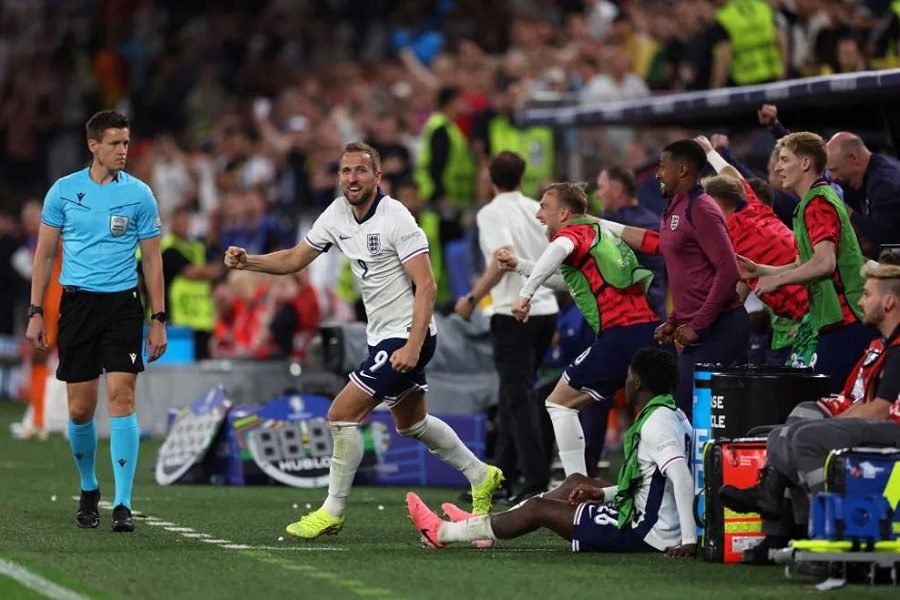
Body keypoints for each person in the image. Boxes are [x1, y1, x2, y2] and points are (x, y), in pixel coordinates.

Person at [225, 142, 503, 539]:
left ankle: (332, 510)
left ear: (377, 177)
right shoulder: (337, 213)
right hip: (382, 337)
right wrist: (249, 261)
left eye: (360, 171)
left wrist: (412, 345)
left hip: (406, 336)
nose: (352, 178)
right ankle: (481, 474)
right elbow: (294, 259)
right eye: (345, 171)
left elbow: (426, 285)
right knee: (413, 424)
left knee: (341, 413)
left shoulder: (396, 218)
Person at [406, 347, 696, 558]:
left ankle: (443, 533)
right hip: (647, 516)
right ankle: (477, 527)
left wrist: (688, 540)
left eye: (629, 375)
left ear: (638, 382)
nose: (625, 381)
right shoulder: (673, 414)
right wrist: (603, 494)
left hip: (644, 532)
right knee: (575, 482)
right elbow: (651, 482)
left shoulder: (656, 423)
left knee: (537, 509)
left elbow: (681, 477)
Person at [25, 110, 168, 532]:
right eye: (115, 143)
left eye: (126, 143)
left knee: (122, 398)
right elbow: (44, 255)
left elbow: (153, 261)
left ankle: (123, 503)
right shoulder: (63, 191)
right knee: (80, 409)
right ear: (93, 145)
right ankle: (89, 486)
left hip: (123, 306)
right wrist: (36, 311)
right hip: (77, 307)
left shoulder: (140, 194)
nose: (124, 150)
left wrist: (158, 318)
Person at [719, 249, 900, 562]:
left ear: (888, 302)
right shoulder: (880, 346)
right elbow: (860, 400)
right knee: (783, 432)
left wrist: (825, 426)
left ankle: (829, 529)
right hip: (878, 422)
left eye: (866, 295)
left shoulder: (898, 350)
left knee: (805, 437)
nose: (859, 302)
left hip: (890, 429)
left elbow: (880, 409)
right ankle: (781, 528)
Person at [499, 182, 658, 477]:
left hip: (621, 333)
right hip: (643, 329)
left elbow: (559, 249)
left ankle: (576, 483)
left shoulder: (573, 233)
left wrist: (525, 295)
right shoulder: (595, 232)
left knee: (559, 403)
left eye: (544, 207)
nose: (538, 214)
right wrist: (520, 265)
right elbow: (566, 280)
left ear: (563, 213)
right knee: (659, 407)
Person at [608, 140, 749, 417]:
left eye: (662, 167)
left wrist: (697, 324)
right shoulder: (673, 207)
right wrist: (674, 320)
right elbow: (691, 274)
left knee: (690, 413)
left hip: (722, 328)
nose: (657, 174)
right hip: (699, 330)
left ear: (682, 170)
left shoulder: (702, 208)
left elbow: (729, 271)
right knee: (689, 414)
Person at [454, 151, 558, 501]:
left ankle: (536, 481)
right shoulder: (536, 209)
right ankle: (501, 476)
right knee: (513, 394)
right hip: (546, 310)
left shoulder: (491, 212)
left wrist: (472, 297)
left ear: (490, 179)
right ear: (522, 177)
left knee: (519, 398)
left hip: (513, 312)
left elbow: (502, 259)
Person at [739, 132, 875, 391]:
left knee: (822, 398)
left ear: (805, 163)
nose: (777, 168)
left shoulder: (817, 205)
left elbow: (825, 263)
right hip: (835, 320)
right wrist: (762, 270)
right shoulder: (811, 202)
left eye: (784, 160)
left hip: (848, 320)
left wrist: (778, 281)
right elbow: (805, 263)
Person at [695, 135, 810, 366]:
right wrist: (710, 153)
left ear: (719, 203)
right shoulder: (754, 210)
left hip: (818, 314)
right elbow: (732, 175)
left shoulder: (726, 238)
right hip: (813, 310)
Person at [597, 166, 666, 319]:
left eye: (601, 188)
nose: (597, 194)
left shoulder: (644, 226)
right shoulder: (653, 221)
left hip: (641, 317)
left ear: (617, 191)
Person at [161, 206, 223, 360]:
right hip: (179, 319)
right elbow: (192, 272)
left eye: (185, 220)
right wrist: (212, 270)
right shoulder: (168, 248)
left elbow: (216, 269)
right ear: (171, 222)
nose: (182, 224)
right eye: (178, 220)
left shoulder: (197, 247)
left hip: (203, 318)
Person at [825, 131, 900, 254]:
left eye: (834, 170)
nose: (833, 177)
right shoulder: (868, 172)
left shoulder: (885, 184)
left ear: (853, 158)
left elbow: (884, 237)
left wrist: (846, 212)